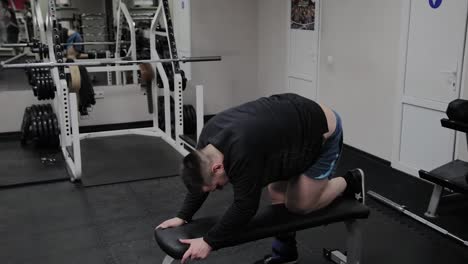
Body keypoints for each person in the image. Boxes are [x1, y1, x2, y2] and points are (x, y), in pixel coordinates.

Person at [156, 93, 365, 264]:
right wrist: (183, 215)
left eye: (216, 186)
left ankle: (349, 181)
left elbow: (245, 208)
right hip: (287, 134)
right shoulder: (207, 145)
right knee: (276, 192)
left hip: (322, 132)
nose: (218, 188)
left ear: (217, 167)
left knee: (299, 205)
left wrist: (209, 242)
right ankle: (286, 254)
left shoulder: (242, 152)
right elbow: (201, 180)